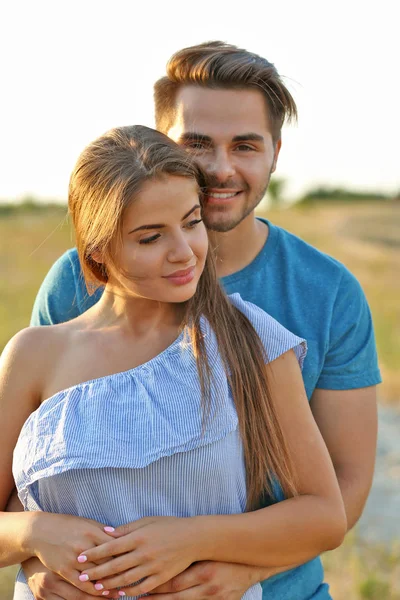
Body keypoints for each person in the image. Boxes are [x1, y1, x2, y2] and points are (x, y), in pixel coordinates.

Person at [13, 42, 380, 599]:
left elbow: (343, 489)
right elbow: (42, 465)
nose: (221, 167)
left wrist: (235, 570)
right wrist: (41, 558)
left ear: (275, 153)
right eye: (199, 143)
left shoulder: (320, 298)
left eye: (245, 146)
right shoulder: (72, 290)